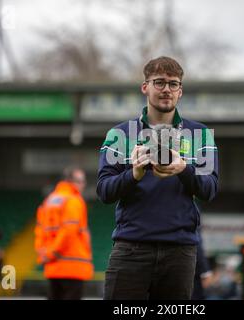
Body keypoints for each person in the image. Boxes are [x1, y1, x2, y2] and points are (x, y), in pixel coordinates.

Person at [97, 56, 218, 300]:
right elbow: (103, 191)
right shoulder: (120, 134)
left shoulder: (200, 134)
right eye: (159, 82)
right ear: (145, 87)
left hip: (180, 251)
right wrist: (133, 174)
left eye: (173, 84)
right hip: (131, 248)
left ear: (180, 91)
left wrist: (183, 169)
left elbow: (210, 189)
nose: (166, 90)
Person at [35, 167, 94, 300]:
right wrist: (53, 252)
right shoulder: (73, 200)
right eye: (81, 181)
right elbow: (69, 231)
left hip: (52, 266)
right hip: (72, 266)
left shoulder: (49, 200)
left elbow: (40, 230)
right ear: (72, 181)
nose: (83, 185)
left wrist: (44, 254)